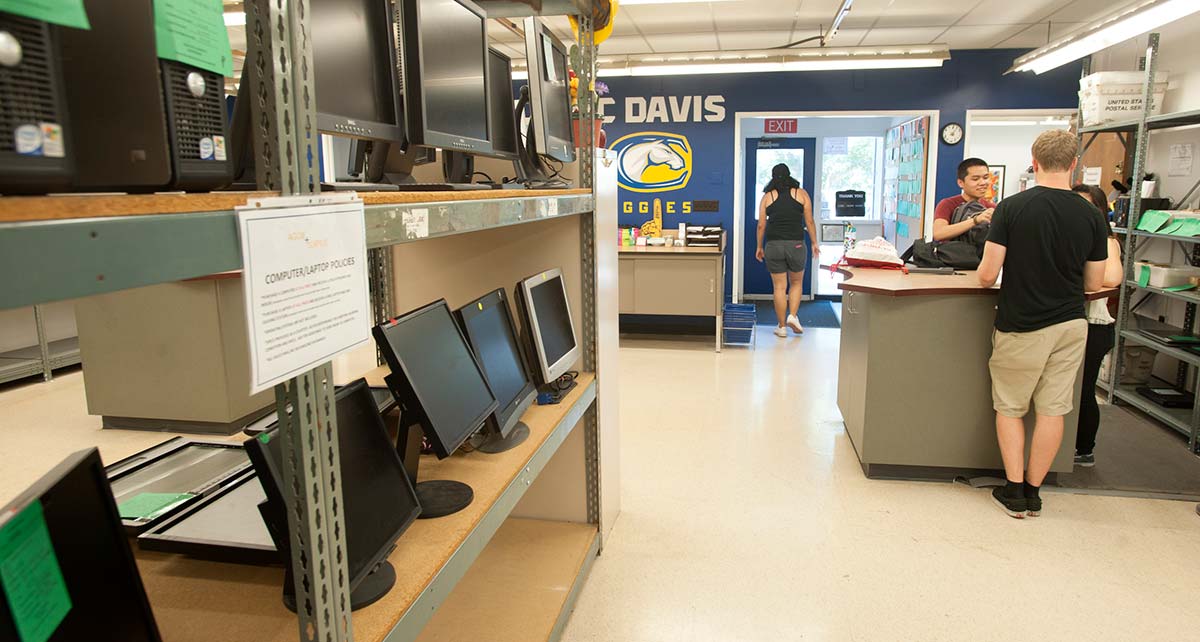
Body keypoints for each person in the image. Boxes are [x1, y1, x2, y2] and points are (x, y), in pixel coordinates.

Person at [976, 130, 1109, 519]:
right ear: (1073, 165)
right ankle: (1035, 492)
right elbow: (1094, 283)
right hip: (1070, 325)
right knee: (1053, 410)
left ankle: (1014, 491)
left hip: (1021, 323)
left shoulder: (1012, 208)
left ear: (1034, 162)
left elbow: (987, 275)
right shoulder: (1091, 214)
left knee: (1011, 407)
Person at [1071, 184, 1124, 467]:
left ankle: (1084, 448)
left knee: (1083, 389)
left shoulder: (1105, 241)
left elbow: (1113, 277)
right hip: (1069, 321)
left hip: (1094, 325)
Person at [755, 163, 818, 338]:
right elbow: (810, 221)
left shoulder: (767, 196)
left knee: (779, 287)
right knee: (796, 283)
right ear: (790, 175)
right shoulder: (801, 193)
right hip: (796, 244)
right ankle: (793, 316)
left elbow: (761, 225)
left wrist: (759, 246)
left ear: (773, 177)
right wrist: (814, 242)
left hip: (773, 245)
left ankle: (781, 327)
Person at [933, 158, 996, 242]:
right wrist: (976, 220)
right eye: (975, 179)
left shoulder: (992, 207)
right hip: (953, 253)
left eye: (985, 177)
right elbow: (938, 234)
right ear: (960, 183)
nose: (982, 183)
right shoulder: (948, 204)